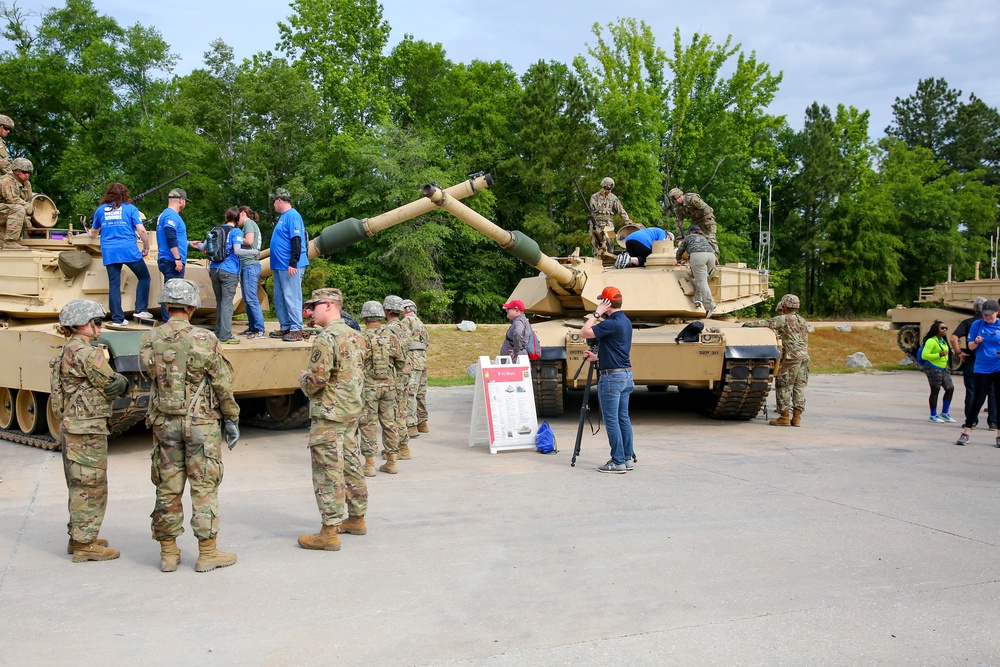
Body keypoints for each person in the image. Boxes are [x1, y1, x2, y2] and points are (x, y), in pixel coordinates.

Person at [140, 279, 240, 573]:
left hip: (164, 422)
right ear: (193, 306)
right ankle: (207, 553)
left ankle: (169, 554)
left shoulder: (149, 339)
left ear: (166, 305)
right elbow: (222, 383)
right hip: (201, 424)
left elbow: (149, 376)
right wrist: (231, 417)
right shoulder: (205, 339)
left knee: (167, 487)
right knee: (204, 487)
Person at [50, 299, 129, 563]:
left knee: (77, 483)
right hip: (87, 428)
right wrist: (122, 381)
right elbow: (110, 381)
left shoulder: (67, 349)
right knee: (91, 485)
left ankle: (79, 537)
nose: (100, 327)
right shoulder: (86, 353)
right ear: (83, 324)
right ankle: (85, 545)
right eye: (97, 322)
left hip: (73, 425)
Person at [297, 288, 368, 551]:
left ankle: (329, 532)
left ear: (328, 305)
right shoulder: (356, 336)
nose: (310, 312)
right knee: (351, 463)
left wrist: (304, 380)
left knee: (328, 471)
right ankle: (357, 518)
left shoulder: (327, 338)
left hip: (329, 414)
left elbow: (317, 381)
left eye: (314, 306)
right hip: (350, 411)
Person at [581, 286, 634, 473]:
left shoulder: (611, 322)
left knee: (611, 420)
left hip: (611, 378)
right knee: (623, 418)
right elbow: (616, 349)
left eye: (602, 301)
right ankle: (627, 458)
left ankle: (617, 461)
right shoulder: (625, 321)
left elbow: (584, 332)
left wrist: (597, 313)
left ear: (607, 303)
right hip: (625, 374)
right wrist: (598, 358)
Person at [89, 182, 153, 325]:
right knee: (144, 277)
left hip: (110, 251)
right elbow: (141, 230)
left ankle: (117, 319)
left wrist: (89, 232)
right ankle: (140, 309)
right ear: (125, 194)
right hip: (128, 249)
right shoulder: (130, 209)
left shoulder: (100, 210)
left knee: (114, 285)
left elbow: (93, 232)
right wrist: (147, 247)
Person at [742, 294, 810, 426]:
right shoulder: (802, 320)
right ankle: (797, 418)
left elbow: (766, 323)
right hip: (804, 357)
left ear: (785, 305)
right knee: (799, 386)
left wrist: (748, 324)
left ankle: (784, 417)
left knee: (784, 385)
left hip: (791, 358)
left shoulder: (783, 319)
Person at [358, 300, 406, 475]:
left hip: (368, 388)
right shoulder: (392, 336)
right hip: (389, 387)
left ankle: (369, 465)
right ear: (380, 315)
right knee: (390, 423)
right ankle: (392, 462)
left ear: (364, 317)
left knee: (368, 424)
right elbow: (402, 362)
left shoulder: (361, 338)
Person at [206, 207, 255, 344]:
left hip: (214, 269)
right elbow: (238, 251)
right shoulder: (236, 232)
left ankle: (218, 332)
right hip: (229, 271)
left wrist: (192, 244)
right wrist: (254, 252)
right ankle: (226, 336)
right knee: (227, 304)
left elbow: (204, 247)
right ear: (237, 219)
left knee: (220, 302)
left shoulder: (215, 229)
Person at [956, 299, 1000, 447]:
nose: (987, 318)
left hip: (998, 367)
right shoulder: (977, 325)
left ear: (997, 312)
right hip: (982, 368)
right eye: (985, 315)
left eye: (990, 315)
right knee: (978, 400)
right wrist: (976, 341)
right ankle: (966, 432)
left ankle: (999, 436)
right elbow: (970, 346)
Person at [269, 188, 309, 342]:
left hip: (290, 265)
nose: (273, 204)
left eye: (274, 200)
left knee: (292, 296)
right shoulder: (283, 217)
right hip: (279, 266)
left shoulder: (292, 215)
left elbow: (296, 240)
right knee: (280, 298)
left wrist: (293, 262)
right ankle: (285, 327)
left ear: (279, 200)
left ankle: (296, 329)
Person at [383, 295, 413, 460]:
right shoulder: (403, 327)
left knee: (396, 412)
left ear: (386, 310)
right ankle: (399, 445)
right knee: (401, 409)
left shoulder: (388, 330)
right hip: (406, 371)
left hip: (396, 374)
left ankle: (402, 447)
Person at [155, 188, 191, 321]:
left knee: (171, 291)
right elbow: (170, 236)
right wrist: (177, 258)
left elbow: (171, 237)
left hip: (167, 258)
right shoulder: (171, 215)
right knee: (173, 294)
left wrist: (189, 243)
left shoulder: (164, 215)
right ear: (181, 200)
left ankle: (169, 321)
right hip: (171, 260)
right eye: (185, 201)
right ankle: (170, 323)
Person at [675, 224, 717, 318]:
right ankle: (698, 298)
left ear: (690, 231)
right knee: (702, 279)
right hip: (711, 256)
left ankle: (710, 306)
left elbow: (680, 250)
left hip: (698, 256)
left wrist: (677, 259)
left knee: (701, 281)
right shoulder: (703, 237)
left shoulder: (688, 238)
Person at [236, 206, 265, 339]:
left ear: (243, 213)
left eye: (238, 216)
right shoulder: (248, 224)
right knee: (247, 299)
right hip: (246, 265)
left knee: (251, 298)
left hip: (250, 265)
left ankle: (260, 329)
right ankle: (253, 327)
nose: (237, 220)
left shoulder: (248, 223)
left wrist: (235, 239)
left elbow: (249, 241)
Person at [402, 299, 430, 435]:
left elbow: (402, 341)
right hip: (422, 360)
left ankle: (411, 425)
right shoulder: (421, 323)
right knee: (420, 392)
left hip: (411, 360)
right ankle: (422, 422)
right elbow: (427, 342)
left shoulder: (405, 322)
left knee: (410, 393)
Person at [920, 320, 955, 422]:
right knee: (935, 390)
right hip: (933, 367)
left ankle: (945, 413)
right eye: (942, 328)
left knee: (950, 388)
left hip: (942, 368)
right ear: (936, 330)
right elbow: (924, 355)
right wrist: (939, 354)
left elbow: (944, 352)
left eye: (946, 328)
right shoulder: (931, 341)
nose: (945, 330)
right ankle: (933, 415)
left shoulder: (942, 341)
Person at [669, 187, 719, 257]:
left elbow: (706, 209)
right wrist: (679, 237)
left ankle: (715, 257)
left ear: (681, 195)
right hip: (696, 221)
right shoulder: (679, 208)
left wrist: (707, 223)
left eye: (678, 198)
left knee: (710, 238)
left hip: (706, 219)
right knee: (693, 238)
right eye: (675, 200)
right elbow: (678, 222)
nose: (677, 201)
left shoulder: (692, 199)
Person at [589, 177, 631, 256]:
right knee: (596, 245)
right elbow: (593, 209)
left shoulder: (613, 198)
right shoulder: (594, 197)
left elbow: (621, 210)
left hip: (608, 224)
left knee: (609, 244)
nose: (609, 191)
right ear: (603, 187)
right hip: (596, 223)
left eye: (610, 189)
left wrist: (628, 221)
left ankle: (609, 258)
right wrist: (601, 198)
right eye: (607, 189)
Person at [0, 156, 34, 250]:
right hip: (5, 210)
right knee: (18, 209)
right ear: (16, 171)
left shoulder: (26, 184)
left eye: (28, 173)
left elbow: (29, 201)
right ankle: (10, 242)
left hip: (6, 212)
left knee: (27, 220)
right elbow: (12, 199)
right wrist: (27, 207)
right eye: (24, 172)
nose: (27, 175)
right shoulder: (7, 181)